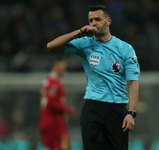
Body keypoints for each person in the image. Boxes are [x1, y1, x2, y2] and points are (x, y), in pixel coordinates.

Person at [47, 4, 140, 150]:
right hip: (92, 108)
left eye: (98, 19)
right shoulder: (85, 43)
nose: (93, 23)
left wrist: (131, 113)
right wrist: (78, 32)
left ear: (108, 21)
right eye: (91, 20)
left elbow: (133, 83)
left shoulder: (125, 48)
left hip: (117, 110)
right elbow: (51, 47)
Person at [39, 59, 75, 150]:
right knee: (64, 145)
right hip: (53, 120)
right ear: (56, 68)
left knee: (52, 146)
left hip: (50, 119)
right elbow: (51, 102)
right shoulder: (53, 82)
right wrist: (67, 109)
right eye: (63, 68)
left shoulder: (49, 80)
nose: (64, 71)